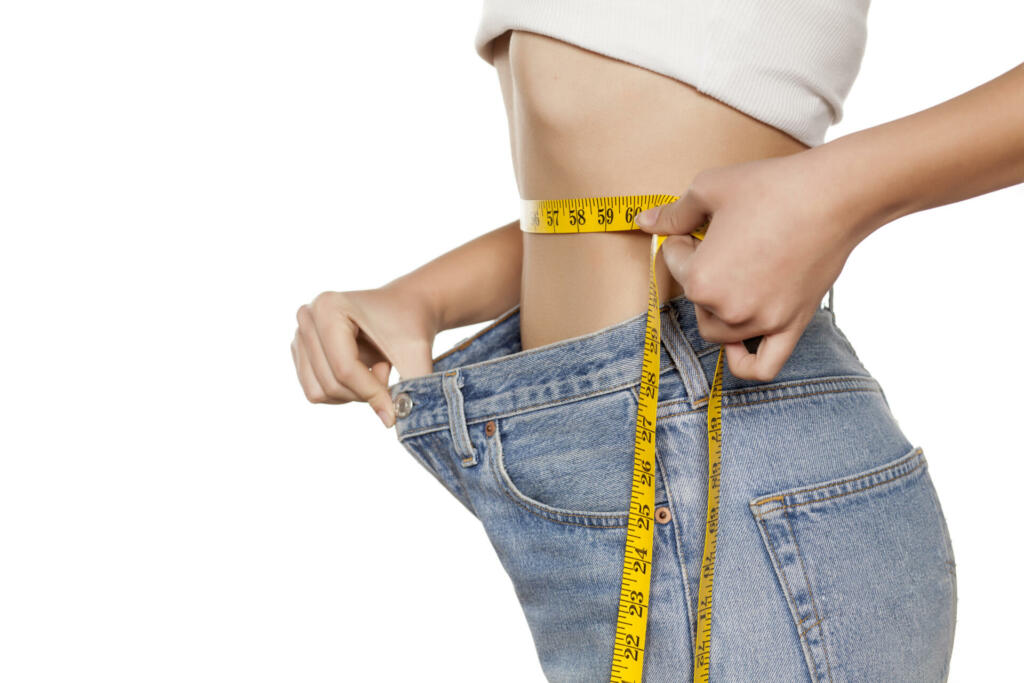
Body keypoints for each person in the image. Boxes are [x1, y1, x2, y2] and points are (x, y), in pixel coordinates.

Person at [290, 12, 1023, 682]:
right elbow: (634, 208)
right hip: (635, 455)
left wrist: (836, 191)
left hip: (731, 460)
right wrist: (427, 295)